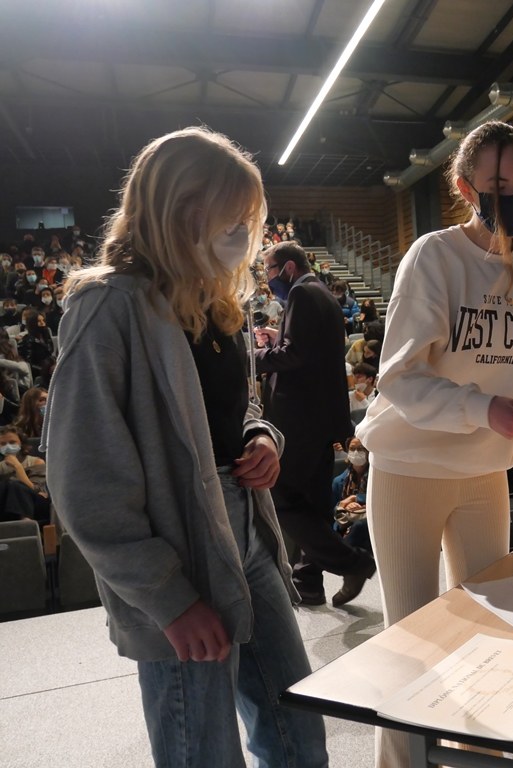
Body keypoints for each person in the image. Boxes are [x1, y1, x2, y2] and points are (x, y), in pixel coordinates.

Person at [40, 126, 329, 767]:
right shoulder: (107, 307)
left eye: (246, 220)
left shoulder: (215, 301)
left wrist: (261, 436)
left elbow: (236, 409)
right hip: (176, 546)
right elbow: (84, 479)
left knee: (298, 733)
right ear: (178, 208)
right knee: (204, 750)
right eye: (229, 216)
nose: (240, 234)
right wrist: (169, 599)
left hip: (247, 531)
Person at [355, 120, 513, 768]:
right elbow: (398, 377)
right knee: (412, 641)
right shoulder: (433, 257)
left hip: (485, 472)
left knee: (492, 629)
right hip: (410, 469)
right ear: (464, 188)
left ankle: (477, 754)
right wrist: (482, 407)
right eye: (497, 185)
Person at [255, 240, 376, 609]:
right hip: (319, 418)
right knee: (313, 503)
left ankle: (353, 562)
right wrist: (278, 339)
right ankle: (308, 582)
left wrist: (254, 355)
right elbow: (309, 350)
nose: (267, 278)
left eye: (269, 270)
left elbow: (294, 356)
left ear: (288, 267)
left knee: (281, 498)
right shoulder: (322, 294)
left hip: (299, 420)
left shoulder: (302, 294)